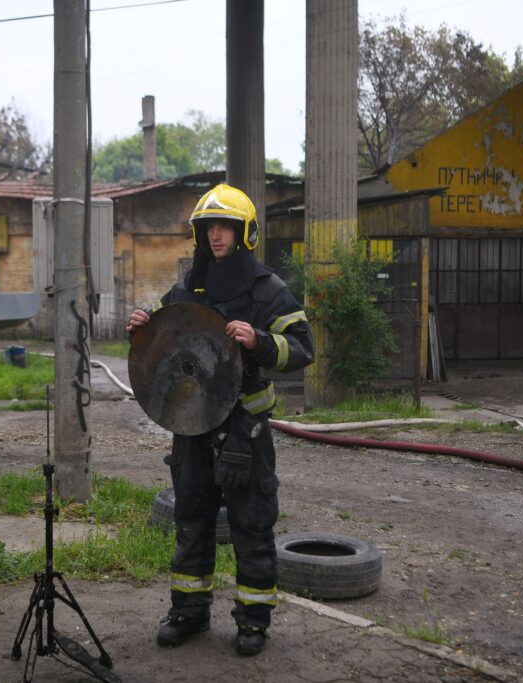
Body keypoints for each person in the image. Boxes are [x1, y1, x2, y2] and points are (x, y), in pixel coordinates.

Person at [126, 183, 314, 656]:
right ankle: (188, 612)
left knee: (252, 523)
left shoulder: (267, 290)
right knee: (191, 519)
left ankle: (253, 621)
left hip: (245, 432)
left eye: (225, 227)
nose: (215, 236)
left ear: (244, 232)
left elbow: (304, 349)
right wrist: (141, 327)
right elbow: (164, 336)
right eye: (208, 227)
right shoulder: (189, 288)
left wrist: (260, 341)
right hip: (192, 429)